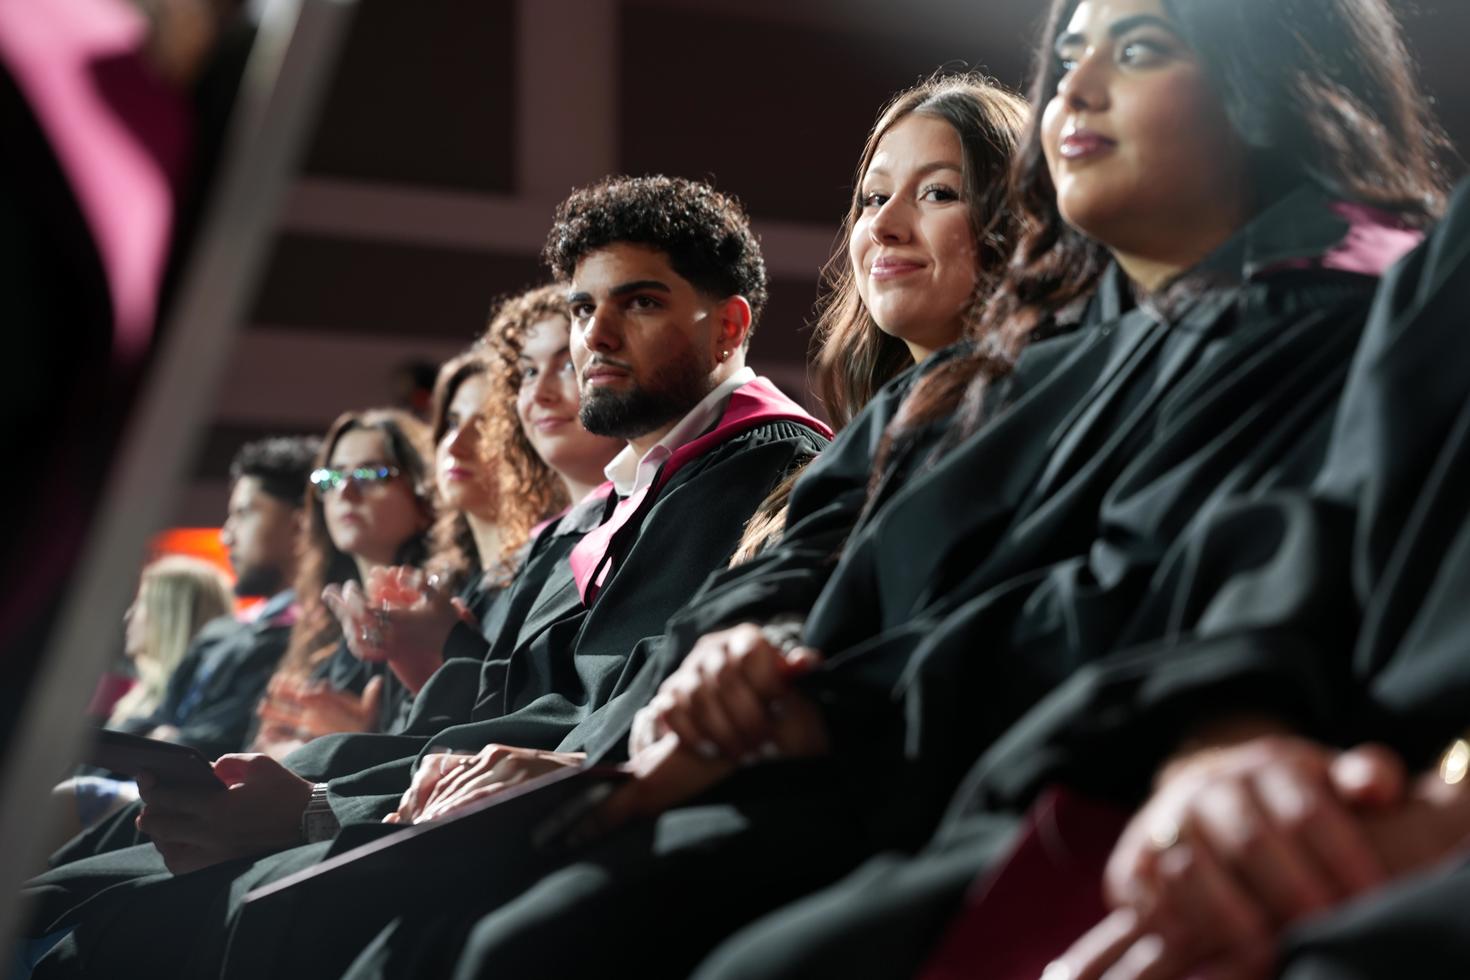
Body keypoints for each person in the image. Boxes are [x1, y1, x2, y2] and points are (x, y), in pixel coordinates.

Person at [22, 175, 832, 979]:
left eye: (641, 303)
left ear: (729, 328)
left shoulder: (754, 467)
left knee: (145, 918)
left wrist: (322, 813)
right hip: (457, 799)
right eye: (584, 308)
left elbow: (588, 723)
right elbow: (519, 710)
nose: (597, 336)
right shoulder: (642, 489)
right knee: (98, 872)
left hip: (538, 828)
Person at [731, 71, 1028, 564]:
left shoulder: (1045, 427)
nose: (884, 225)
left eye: (938, 193)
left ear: (1021, 222)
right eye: (874, 198)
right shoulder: (850, 453)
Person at [319, 286, 623, 703]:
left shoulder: (598, 535)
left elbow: (542, 710)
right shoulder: (503, 568)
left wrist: (451, 643)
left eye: (485, 427)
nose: (455, 444)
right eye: (451, 423)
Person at [248, 409, 434, 758]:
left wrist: (354, 742)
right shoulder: (322, 627)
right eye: (332, 477)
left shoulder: (436, 612)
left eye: (372, 474)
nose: (346, 490)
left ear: (423, 490)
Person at [50, 555, 234, 844]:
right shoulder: (139, 697)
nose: (128, 616)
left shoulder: (195, 704)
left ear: (171, 615)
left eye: (141, 604)